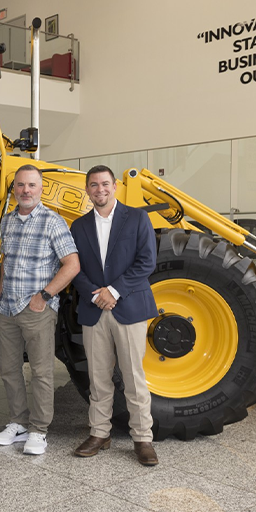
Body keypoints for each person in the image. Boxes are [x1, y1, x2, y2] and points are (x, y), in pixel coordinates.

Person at [70, 165, 159, 466]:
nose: (100, 190)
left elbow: (146, 262)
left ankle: (142, 439)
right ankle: (99, 433)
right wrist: (96, 294)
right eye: (94, 185)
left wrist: (114, 291)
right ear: (87, 190)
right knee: (98, 379)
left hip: (129, 309)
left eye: (105, 184)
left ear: (115, 186)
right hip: (94, 310)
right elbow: (74, 268)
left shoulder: (137, 218)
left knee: (134, 378)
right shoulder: (78, 226)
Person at [0, 165, 79, 455]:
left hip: (37, 309)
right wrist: (1, 292)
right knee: (8, 369)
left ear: (41, 189)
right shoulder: (7, 221)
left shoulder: (53, 222)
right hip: (8, 309)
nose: (25, 190)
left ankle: (39, 430)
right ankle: (18, 422)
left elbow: (72, 265)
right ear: (14, 189)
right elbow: (7, 260)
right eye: (20, 185)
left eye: (31, 185)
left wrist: (44, 296)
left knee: (41, 372)